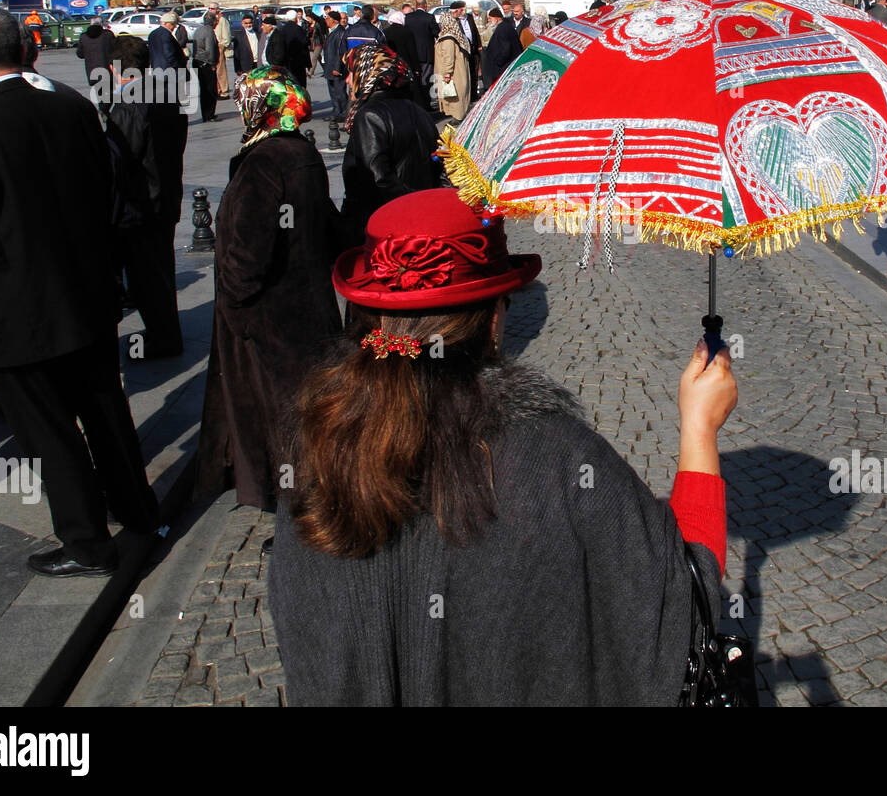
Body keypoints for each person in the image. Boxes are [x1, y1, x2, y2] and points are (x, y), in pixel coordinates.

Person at [268, 188, 737, 705]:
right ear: (493, 319)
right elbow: (683, 614)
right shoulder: (557, 457)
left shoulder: (313, 458)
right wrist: (699, 431)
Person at [0, 8, 158, 577]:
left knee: (46, 428)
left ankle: (87, 543)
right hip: (85, 294)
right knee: (105, 410)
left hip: (15, 312)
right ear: (27, 50)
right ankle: (137, 510)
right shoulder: (74, 108)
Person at [197, 67, 341, 522]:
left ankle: (299, 512)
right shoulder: (303, 152)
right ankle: (314, 496)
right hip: (308, 304)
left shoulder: (263, 161)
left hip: (270, 314)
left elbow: (248, 250)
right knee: (305, 408)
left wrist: (237, 304)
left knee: (278, 412)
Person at [105, 35, 184, 357]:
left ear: (113, 68)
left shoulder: (128, 104)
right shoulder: (166, 95)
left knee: (146, 278)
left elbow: (122, 159)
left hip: (141, 204)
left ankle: (163, 338)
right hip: (165, 196)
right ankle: (165, 333)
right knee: (159, 271)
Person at [338, 41, 440, 248]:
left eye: (351, 72)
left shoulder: (370, 116)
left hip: (384, 226)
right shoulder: (418, 110)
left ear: (367, 72)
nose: (348, 80)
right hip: (419, 218)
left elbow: (378, 178)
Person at [434, 3, 473, 124]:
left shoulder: (447, 39)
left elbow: (448, 58)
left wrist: (447, 73)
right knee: (458, 96)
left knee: (454, 98)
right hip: (459, 73)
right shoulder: (456, 36)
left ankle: (457, 119)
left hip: (454, 74)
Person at [405, 0, 440, 110]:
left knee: (415, 80)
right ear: (425, 5)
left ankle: (417, 104)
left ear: (416, 5)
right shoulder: (429, 17)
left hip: (412, 53)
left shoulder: (408, 18)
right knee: (426, 79)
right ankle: (426, 104)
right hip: (426, 54)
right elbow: (436, 33)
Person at [76, 16, 115, 114]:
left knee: (100, 92)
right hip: (106, 69)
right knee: (110, 93)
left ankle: (103, 110)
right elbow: (115, 49)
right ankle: (104, 111)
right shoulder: (107, 35)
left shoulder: (83, 37)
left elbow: (80, 54)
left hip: (92, 70)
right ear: (101, 24)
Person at [482, 6, 522, 88]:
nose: (488, 21)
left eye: (490, 18)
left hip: (503, 68)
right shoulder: (505, 26)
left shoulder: (503, 28)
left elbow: (505, 50)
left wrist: (497, 62)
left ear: (496, 19)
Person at [191, 12, 221, 122]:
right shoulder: (209, 32)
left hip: (198, 62)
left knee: (203, 89)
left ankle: (205, 114)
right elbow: (210, 49)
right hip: (206, 63)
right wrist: (213, 63)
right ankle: (210, 114)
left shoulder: (198, 30)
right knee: (210, 89)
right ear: (213, 22)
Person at [321, 10, 349, 122]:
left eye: (327, 18)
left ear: (334, 20)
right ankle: (336, 111)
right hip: (329, 66)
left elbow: (340, 51)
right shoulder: (332, 31)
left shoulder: (340, 32)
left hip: (336, 68)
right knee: (333, 91)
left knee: (339, 91)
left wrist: (337, 68)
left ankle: (343, 112)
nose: (326, 20)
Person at [209, 2, 232, 101]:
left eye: (212, 8)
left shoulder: (222, 20)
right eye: (209, 8)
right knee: (213, 70)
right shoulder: (210, 19)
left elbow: (226, 36)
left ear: (217, 9)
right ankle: (217, 89)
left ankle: (224, 91)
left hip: (219, 46)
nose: (210, 10)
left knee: (221, 70)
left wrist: (222, 45)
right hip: (212, 46)